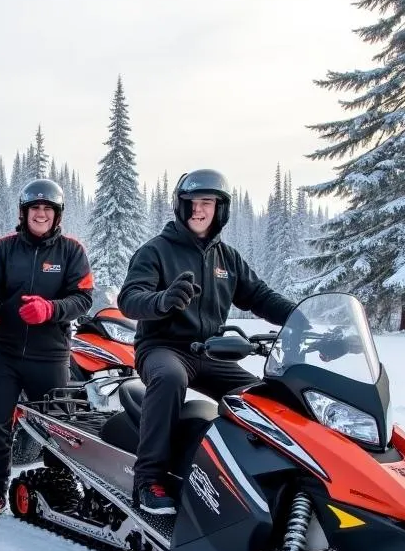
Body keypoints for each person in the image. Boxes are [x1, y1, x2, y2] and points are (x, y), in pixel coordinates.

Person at [117, 169, 296, 515]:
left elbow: (260, 296)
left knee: (262, 398)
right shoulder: (156, 251)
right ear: (180, 207)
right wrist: (163, 301)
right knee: (169, 378)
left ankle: (263, 480)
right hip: (162, 348)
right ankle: (148, 480)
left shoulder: (226, 259)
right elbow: (130, 298)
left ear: (220, 209)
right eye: (192, 203)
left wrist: (304, 319)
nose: (199, 210)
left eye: (208, 203)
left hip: (212, 353)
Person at [0, 179, 94, 522]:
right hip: (5, 352)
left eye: (47, 209)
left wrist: (50, 310)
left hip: (50, 355)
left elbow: (83, 298)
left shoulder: (71, 251)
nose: (41, 214)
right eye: (35, 209)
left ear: (57, 215)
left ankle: (61, 488)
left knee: (59, 427)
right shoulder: (4, 248)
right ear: (24, 214)